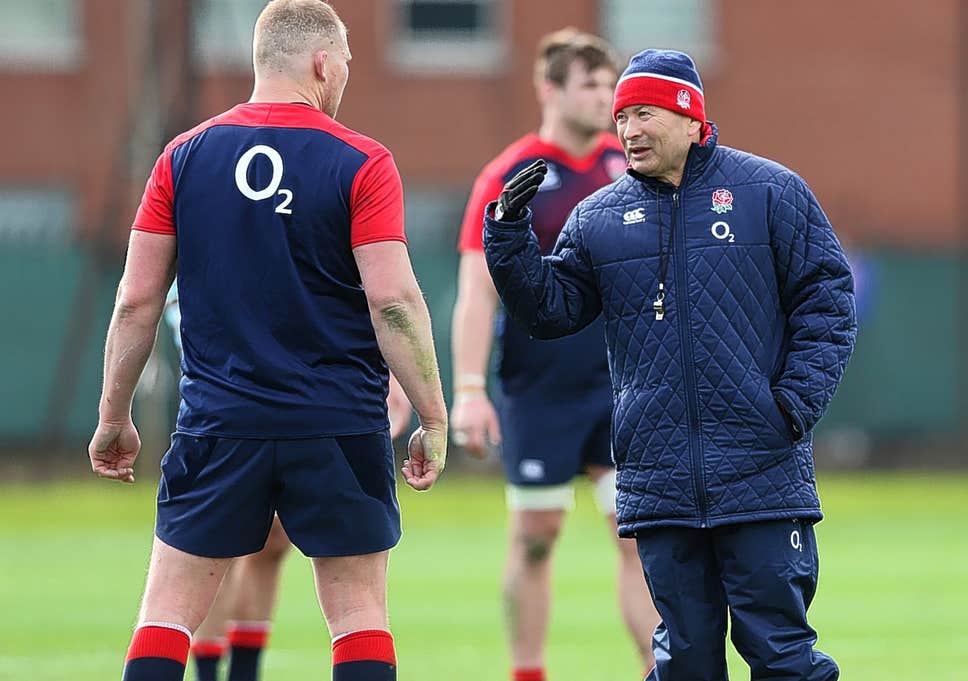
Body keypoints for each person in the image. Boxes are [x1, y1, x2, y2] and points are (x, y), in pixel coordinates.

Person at [87, 2, 447, 680]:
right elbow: (393, 300)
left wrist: (113, 415)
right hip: (338, 421)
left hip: (221, 422)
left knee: (167, 612)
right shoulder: (363, 160)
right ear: (322, 63)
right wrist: (433, 415)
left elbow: (136, 299)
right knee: (358, 613)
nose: (345, 77)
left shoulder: (182, 158)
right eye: (345, 63)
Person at [482, 48, 856, 681]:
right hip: (659, 481)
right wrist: (509, 234)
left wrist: (791, 405)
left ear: (690, 118)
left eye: (644, 114)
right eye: (621, 118)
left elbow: (828, 301)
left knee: (782, 655)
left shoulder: (771, 191)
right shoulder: (597, 216)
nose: (628, 130)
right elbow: (550, 312)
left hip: (760, 472)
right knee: (683, 661)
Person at [451, 28, 660, 681]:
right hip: (539, 386)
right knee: (536, 535)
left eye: (609, 85)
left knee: (639, 537)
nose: (605, 98)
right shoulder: (510, 175)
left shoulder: (629, 168)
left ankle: (661, 671)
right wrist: (468, 389)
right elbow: (477, 293)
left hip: (621, 385)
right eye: (591, 85)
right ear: (550, 90)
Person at [163, 286, 413, 681]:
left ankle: (245, 672)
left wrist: (390, 369)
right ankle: (208, 672)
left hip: (300, 375)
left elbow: (373, 287)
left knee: (273, 541)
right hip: (230, 380)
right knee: (215, 546)